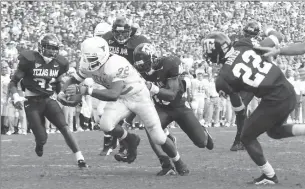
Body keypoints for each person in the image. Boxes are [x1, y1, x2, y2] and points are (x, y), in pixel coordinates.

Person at [59, 37, 189, 175]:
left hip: (139, 96)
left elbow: (113, 94)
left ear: (102, 55)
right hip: (122, 99)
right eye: (87, 57)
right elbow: (74, 79)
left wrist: (85, 90)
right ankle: (130, 139)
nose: (88, 61)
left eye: (92, 58)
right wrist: (62, 92)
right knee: (105, 124)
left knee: (158, 137)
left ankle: (179, 162)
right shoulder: (88, 63)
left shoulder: (115, 63)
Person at [202, 32, 305, 185]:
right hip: (288, 91)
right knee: (274, 132)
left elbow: (239, 107)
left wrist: (241, 118)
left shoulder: (223, 78)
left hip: (275, 100)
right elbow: (277, 35)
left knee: (246, 136)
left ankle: (269, 175)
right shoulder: (243, 44)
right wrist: (269, 41)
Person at [114, 43, 213, 176]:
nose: (142, 68)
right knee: (150, 127)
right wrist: (128, 121)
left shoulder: (170, 63)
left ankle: (203, 132)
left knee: (202, 143)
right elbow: (137, 98)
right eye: (139, 65)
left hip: (179, 107)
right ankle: (167, 164)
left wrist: (152, 88)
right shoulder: (139, 73)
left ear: (153, 58)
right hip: (162, 109)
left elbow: (172, 94)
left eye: (144, 64)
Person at [8, 33, 87, 168]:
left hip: (48, 99)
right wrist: (16, 97)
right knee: (42, 137)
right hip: (31, 101)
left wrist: (61, 93)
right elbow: (13, 82)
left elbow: (57, 83)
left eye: (55, 48)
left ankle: (80, 157)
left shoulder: (60, 63)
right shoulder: (29, 59)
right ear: (41, 47)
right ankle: (39, 143)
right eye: (49, 47)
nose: (52, 51)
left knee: (65, 127)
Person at [98, 17, 151, 156]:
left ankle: (120, 144)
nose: (120, 36)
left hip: (133, 82)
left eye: (124, 33)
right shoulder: (107, 39)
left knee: (143, 119)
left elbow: (146, 59)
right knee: (107, 115)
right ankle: (115, 143)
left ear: (130, 32)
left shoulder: (138, 41)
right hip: (114, 81)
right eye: (118, 33)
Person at [229, 22, 284, 151]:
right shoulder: (259, 44)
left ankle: (241, 139)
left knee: (241, 111)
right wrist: (268, 30)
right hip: (257, 80)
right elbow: (277, 36)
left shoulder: (236, 44)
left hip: (243, 81)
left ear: (244, 32)